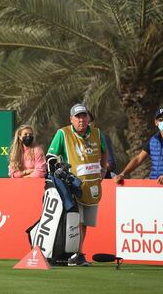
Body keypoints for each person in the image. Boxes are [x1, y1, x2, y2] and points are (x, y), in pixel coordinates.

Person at [47, 103, 110, 267]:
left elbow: (105, 151)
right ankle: (75, 254)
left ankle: (77, 253)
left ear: (88, 118)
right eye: (78, 116)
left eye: (84, 116)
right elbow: (51, 155)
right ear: (71, 119)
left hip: (93, 186)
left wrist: (103, 168)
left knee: (86, 223)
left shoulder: (96, 133)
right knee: (77, 220)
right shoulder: (63, 133)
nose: (81, 119)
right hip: (73, 185)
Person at [115, 107, 163, 186]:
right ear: (156, 122)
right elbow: (138, 159)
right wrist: (123, 174)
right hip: (155, 183)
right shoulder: (153, 140)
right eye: (160, 120)